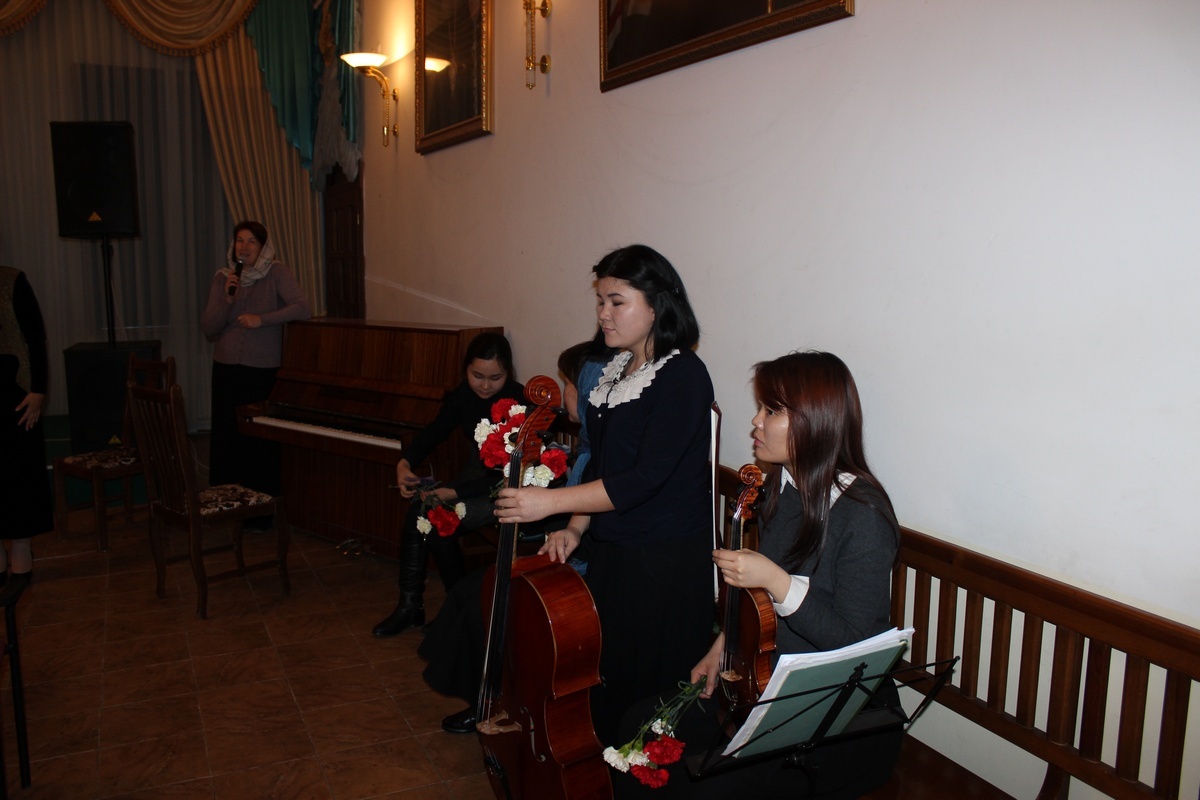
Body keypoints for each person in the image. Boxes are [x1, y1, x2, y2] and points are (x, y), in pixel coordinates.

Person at [613, 351, 902, 800]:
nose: (756, 421)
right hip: (763, 684)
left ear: (815, 421)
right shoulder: (782, 490)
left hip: (842, 715)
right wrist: (720, 648)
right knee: (640, 725)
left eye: (771, 410)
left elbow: (853, 645)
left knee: (705, 786)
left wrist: (775, 579)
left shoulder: (863, 515)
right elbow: (756, 606)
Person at [494, 244, 716, 742]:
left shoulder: (682, 375)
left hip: (662, 561)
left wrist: (550, 503)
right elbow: (604, 461)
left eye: (617, 301)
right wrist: (576, 528)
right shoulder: (617, 368)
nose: (603, 314)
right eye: (600, 301)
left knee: (647, 687)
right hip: (615, 549)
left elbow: (644, 479)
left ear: (657, 305)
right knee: (607, 673)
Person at [418, 337, 612, 734]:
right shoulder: (590, 444)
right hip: (564, 541)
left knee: (483, 596)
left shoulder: (604, 447)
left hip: (587, 561)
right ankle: (486, 697)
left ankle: (490, 699)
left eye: (569, 384)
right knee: (475, 593)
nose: (564, 392)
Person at [372, 332, 525, 637]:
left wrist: (454, 492)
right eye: (477, 375)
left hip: (505, 489)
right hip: (474, 479)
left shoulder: (518, 402)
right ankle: (413, 606)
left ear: (508, 372)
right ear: (465, 368)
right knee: (422, 512)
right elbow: (436, 430)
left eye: (495, 377)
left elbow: (508, 474)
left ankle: (455, 609)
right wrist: (404, 462)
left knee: (437, 519)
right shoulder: (463, 394)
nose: (484, 385)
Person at [201, 220, 310, 502]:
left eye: (251, 241)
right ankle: (226, 499)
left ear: (262, 246)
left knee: (258, 437)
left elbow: (302, 308)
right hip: (226, 368)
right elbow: (209, 328)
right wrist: (227, 300)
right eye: (240, 240)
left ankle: (260, 503)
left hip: (261, 370)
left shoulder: (276, 272)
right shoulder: (223, 277)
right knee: (227, 434)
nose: (244, 247)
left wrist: (262, 319)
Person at [0, 266, 52, 592]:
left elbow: (35, 338)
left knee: (18, 473)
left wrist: (39, 390)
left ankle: (21, 551)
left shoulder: (11, 280)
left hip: (14, 395)